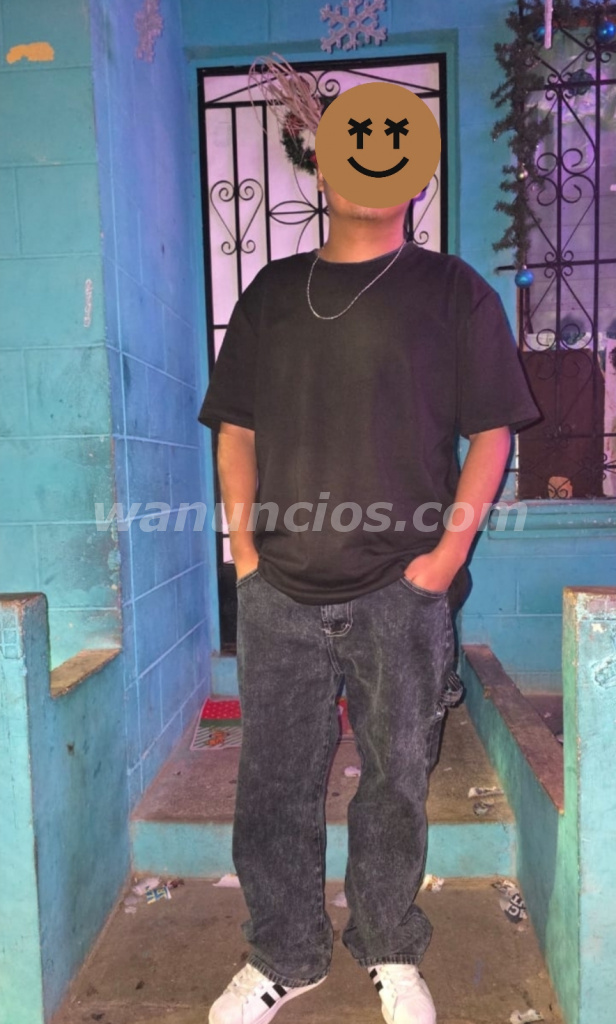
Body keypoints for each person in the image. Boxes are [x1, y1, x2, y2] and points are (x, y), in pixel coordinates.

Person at [198, 168, 539, 1024]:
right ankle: (285, 954)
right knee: (273, 783)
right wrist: (244, 555)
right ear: (322, 167)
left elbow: (492, 431)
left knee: (396, 779)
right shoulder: (273, 293)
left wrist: (446, 557)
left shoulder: (455, 292)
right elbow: (235, 430)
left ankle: (388, 944)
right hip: (280, 589)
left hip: (402, 592)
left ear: (418, 172)